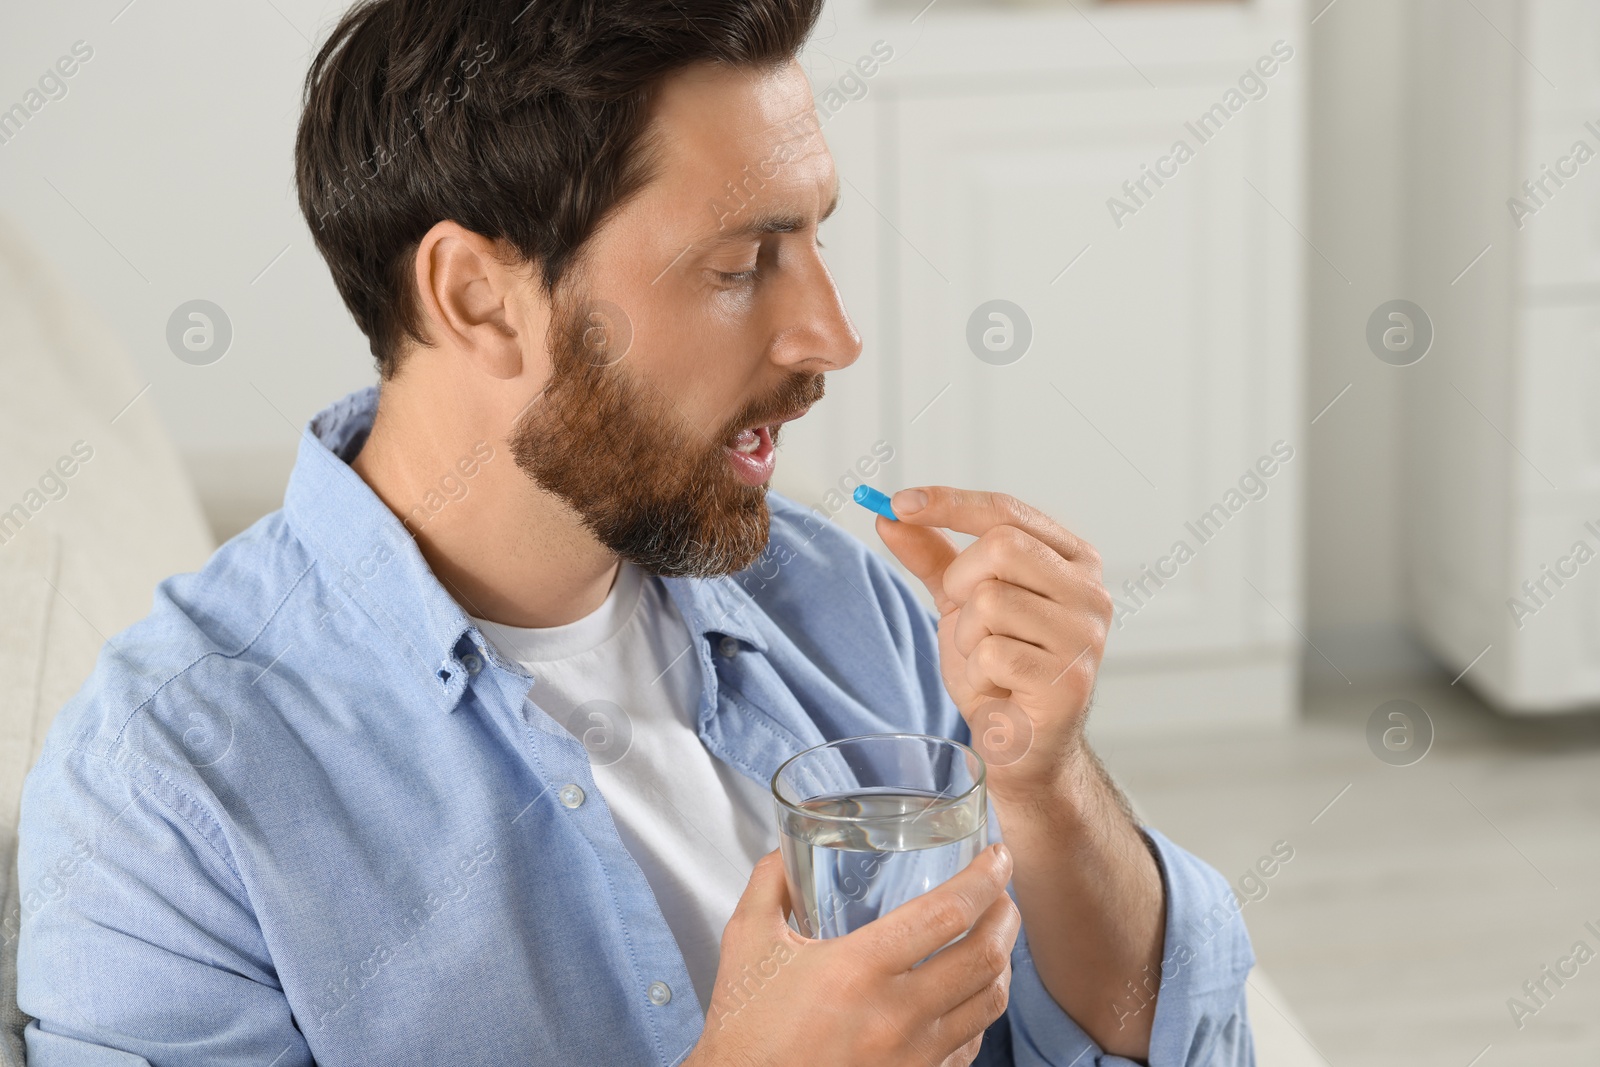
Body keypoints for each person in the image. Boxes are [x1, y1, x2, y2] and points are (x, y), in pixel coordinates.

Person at [16, 1, 1255, 1064]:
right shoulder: (169, 794)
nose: (830, 334)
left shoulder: (836, 602)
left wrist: (1045, 783)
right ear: (476, 298)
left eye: (815, 237)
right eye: (739, 264)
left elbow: (1148, 1035)